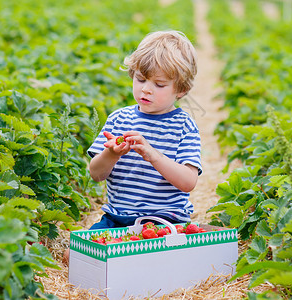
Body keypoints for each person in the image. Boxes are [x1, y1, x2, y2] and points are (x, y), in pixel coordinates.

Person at [63, 30, 202, 264]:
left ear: (181, 90)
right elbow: (96, 174)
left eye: (159, 84)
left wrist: (154, 156)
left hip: (164, 222)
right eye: (140, 79)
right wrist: (111, 153)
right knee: (73, 255)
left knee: (154, 261)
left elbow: (188, 182)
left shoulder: (184, 126)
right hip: (118, 220)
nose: (146, 89)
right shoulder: (119, 119)